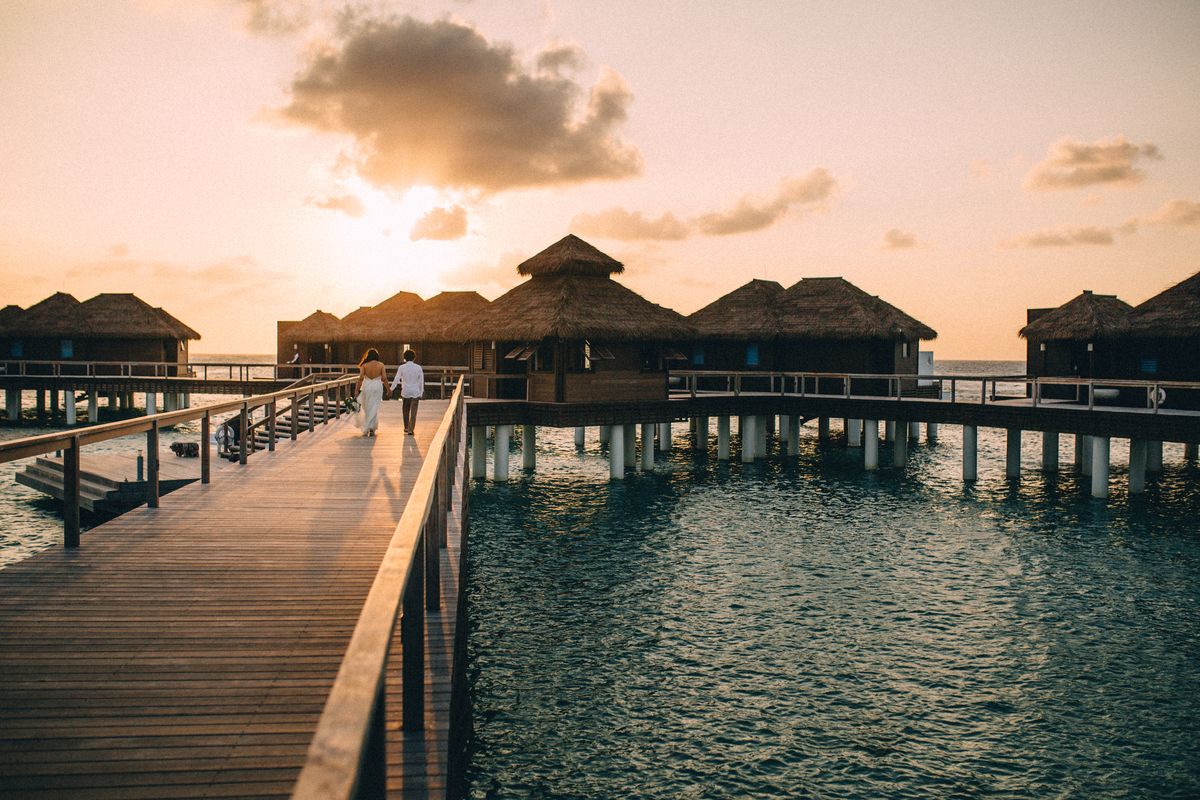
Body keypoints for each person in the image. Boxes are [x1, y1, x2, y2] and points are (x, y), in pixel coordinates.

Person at [354, 348, 389, 437]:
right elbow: (384, 378)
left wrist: (356, 390)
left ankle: (369, 426)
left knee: (367, 407)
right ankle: (371, 428)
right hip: (377, 386)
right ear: (377, 356)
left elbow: (361, 378)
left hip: (367, 386)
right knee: (374, 406)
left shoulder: (364, 365)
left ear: (368, 356)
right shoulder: (381, 365)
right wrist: (388, 389)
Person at [390, 349, 424, 435]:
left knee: (405, 409)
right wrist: (421, 392)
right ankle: (411, 429)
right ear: (414, 358)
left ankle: (406, 426)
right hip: (415, 391)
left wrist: (391, 389)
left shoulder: (401, 368)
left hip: (405, 391)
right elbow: (421, 381)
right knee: (413, 411)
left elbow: (396, 379)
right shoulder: (418, 368)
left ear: (404, 358)